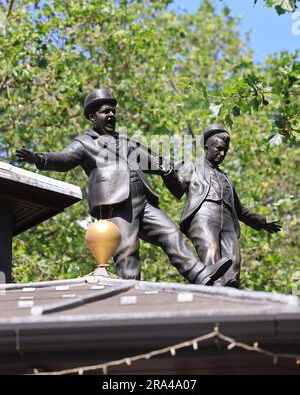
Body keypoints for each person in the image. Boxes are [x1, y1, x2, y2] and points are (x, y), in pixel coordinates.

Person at [16, 90, 232, 285]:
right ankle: (129, 290)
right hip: (117, 203)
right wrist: (39, 158)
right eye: (105, 112)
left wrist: (175, 169)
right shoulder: (85, 143)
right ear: (93, 117)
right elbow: (64, 159)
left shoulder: (126, 142)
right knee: (127, 248)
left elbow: (156, 162)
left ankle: (200, 275)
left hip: (143, 200)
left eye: (113, 111)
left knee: (170, 232)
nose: (111, 115)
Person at [174, 123, 281, 288]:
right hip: (204, 216)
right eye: (218, 148)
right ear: (206, 147)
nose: (222, 153)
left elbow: (240, 211)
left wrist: (263, 222)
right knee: (211, 256)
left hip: (229, 223)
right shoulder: (192, 167)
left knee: (233, 263)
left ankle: (231, 299)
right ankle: (212, 297)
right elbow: (175, 188)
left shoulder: (226, 178)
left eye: (225, 150)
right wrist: (165, 171)